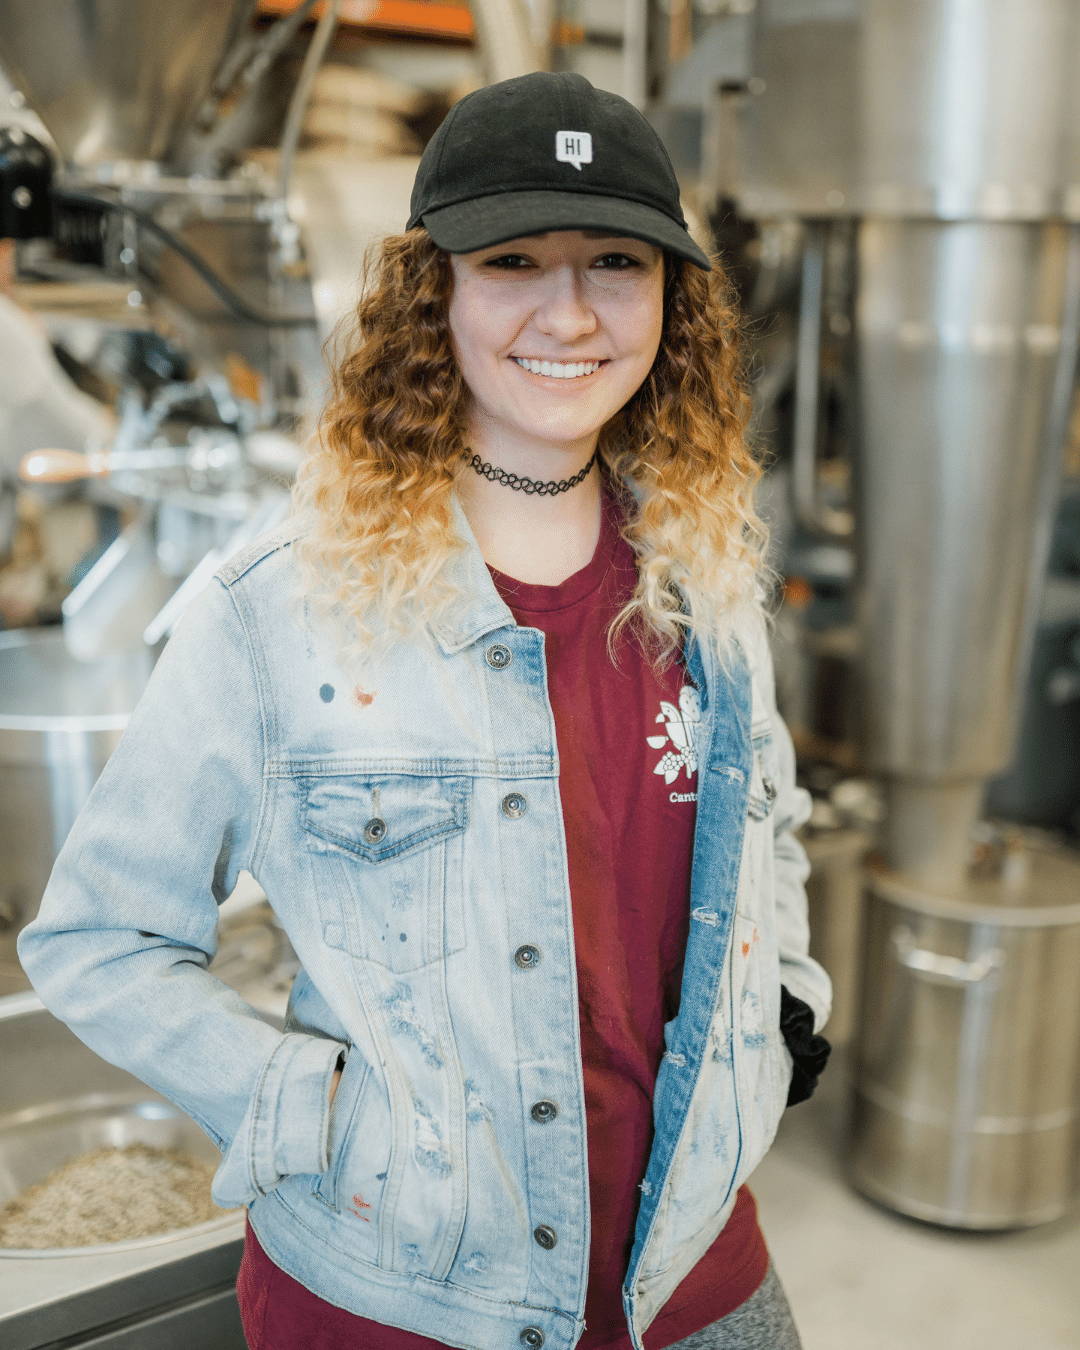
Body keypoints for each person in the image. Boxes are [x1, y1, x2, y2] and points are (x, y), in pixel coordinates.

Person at [18, 71, 831, 1350]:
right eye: (513, 259)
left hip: (692, 1277)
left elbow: (768, 823)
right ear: (431, 292)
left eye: (616, 261)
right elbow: (96, 939)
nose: (570, 312)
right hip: (405, 1291)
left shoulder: (708, 571)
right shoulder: (279, 606)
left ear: (672, 303)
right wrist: (311, 1113)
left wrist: (783, 1015)